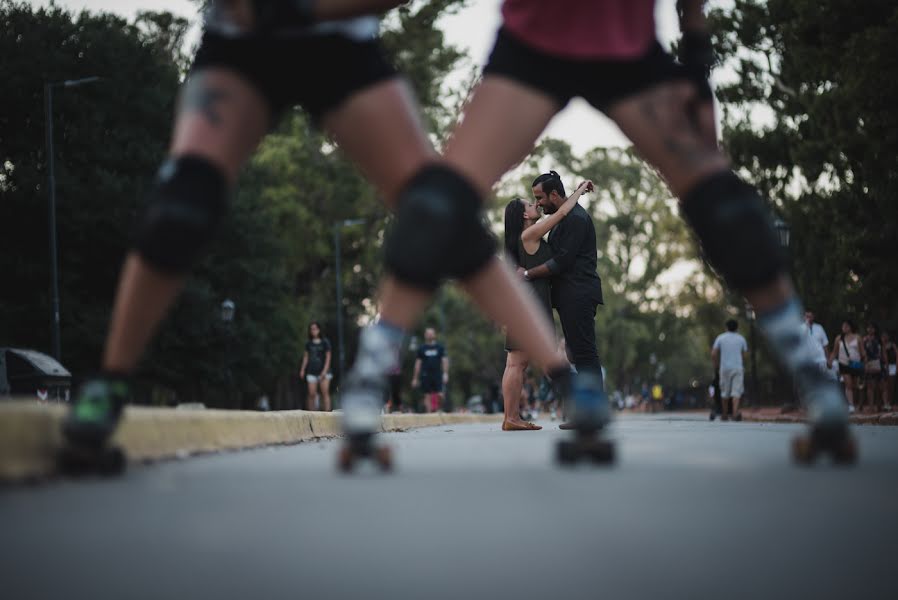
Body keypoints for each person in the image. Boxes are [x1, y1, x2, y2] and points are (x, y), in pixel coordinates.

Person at [61, 0, 586, 455]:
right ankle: (108, 385)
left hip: (337, 43)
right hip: (240, 45)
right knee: (179, 207)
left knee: (437, 211)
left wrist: (294, 9)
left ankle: (568, 384)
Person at [441, 0, 851, 449]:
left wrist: (696, 55)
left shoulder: (561, 218)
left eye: (539, 199)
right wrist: (695, 49)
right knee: (714, 193)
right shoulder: (550, 219)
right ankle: (813, 379)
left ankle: (810, 374)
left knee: (718, 198)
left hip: (550, 39)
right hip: (603, 38)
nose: (535, 204)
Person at [500, 181, 592, 430]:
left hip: (531, 304)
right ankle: (511, 418)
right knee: (524, 363)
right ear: (524, 215)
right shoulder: (530, 234)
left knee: (520, 363)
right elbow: (562, 212)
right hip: (531, 307)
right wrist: (580, 190)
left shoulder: (527, 237)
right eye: (531, 204)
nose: (536, 204)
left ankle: (512, 417)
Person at [712, 319, 748, 421]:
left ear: (726, 327)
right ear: (737, 327)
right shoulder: (741, 339)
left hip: (724, 368)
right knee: (736, 392)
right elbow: (745, 354)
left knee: (724, 392)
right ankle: (735, 413)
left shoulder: (721, 338)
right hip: (737, 368)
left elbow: (714, 354)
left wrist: (717, 366)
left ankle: (724, 414)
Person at [830, 320, 864, 413]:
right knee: (848, 384)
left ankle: (858, 404)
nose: (844, 327)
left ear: (851, 327)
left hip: (856, 364)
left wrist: (865, 363)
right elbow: (834, 352)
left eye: (846, 326)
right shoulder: (838, 338)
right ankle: (851, 405)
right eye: (843, 325)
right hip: (843, 364)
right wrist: (830, 361)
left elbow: (862, 352)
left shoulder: (858, 337)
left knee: (855, 385)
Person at [411, 328, 448, 413]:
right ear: (425, 335)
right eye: (428, 333)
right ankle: (429, 414)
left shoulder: (440, 347)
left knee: (440, 394)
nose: (430, 335)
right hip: (425, 374)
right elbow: (418, 363)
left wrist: (445, 373)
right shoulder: (422, 348)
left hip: (437, 374)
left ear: (435, 335)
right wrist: (415, 378)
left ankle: (438, 409)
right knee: (427, 395)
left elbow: (445, 361)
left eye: (431, 333)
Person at [299, 322, 333, 411]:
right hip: (311, 371)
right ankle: (312, 415)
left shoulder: (325, 342)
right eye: (311, 329)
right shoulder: (308, 344)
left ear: (319, 329)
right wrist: (302, 369)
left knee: (324, 393)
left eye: (315, 329)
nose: (313, 331)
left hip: (324, 372)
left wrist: (324, 371)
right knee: (311, 394)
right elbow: (306, 357)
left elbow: (328, 357)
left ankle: (327, 414)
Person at [862, 324, 883, 412]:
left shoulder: (878, 339)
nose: (870, 329)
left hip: (877, 362)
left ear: (874, 330)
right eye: (868, 327)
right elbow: (862, 351)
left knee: (878, 385)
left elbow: (882, 351)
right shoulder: (864, 339)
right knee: (869, 385)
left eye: (872, 328)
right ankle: (871, 407)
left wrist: (884, 363)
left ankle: (878, 405)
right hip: (868, 363)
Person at [881, 330, 896, 411]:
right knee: (885, 386)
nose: (884, 338)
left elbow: (897, 355)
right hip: (884, 366)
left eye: (885, 336)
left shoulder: (892, 345)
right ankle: (885, 403)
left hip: (892, 366)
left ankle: (890, 402)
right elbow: (884, 358)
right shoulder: (881, 346)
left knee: (891, 385)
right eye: (883, 336)